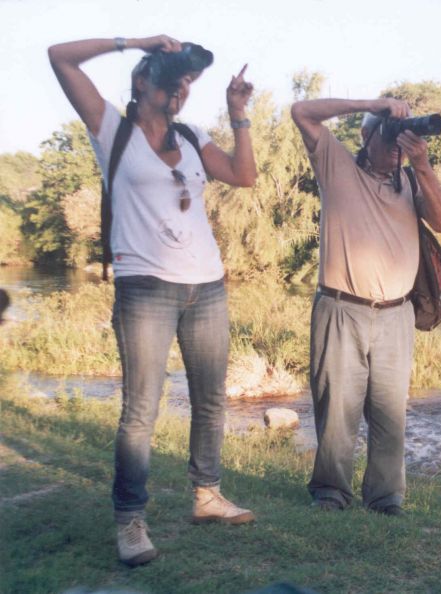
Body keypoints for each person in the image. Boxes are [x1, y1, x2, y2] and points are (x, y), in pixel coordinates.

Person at [48, 35, 257, 567]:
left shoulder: (191, 135)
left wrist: (238, 115)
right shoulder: (112, 130)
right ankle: (130, 520)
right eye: (172, 79)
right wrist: (136, 42)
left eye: (187, 82)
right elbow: (60, 56)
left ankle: (207, 496)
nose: (181, 90)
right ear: (142, 82)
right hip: (144, 287)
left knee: (211, 400)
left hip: (206, 285)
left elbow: (244, 176)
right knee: (141, 410)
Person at [291, 97, 441, 516]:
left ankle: (385, 498)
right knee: (337, 409)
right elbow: (301, 112)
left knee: (389, 414)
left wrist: (422, 163)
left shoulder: (411, 180)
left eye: (402, 140)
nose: (397, 146)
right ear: (365, 136)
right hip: (342, 308)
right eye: (388, 136)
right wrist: (374, 105)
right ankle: (331, 491)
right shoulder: (336, 165)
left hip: (397, 314)